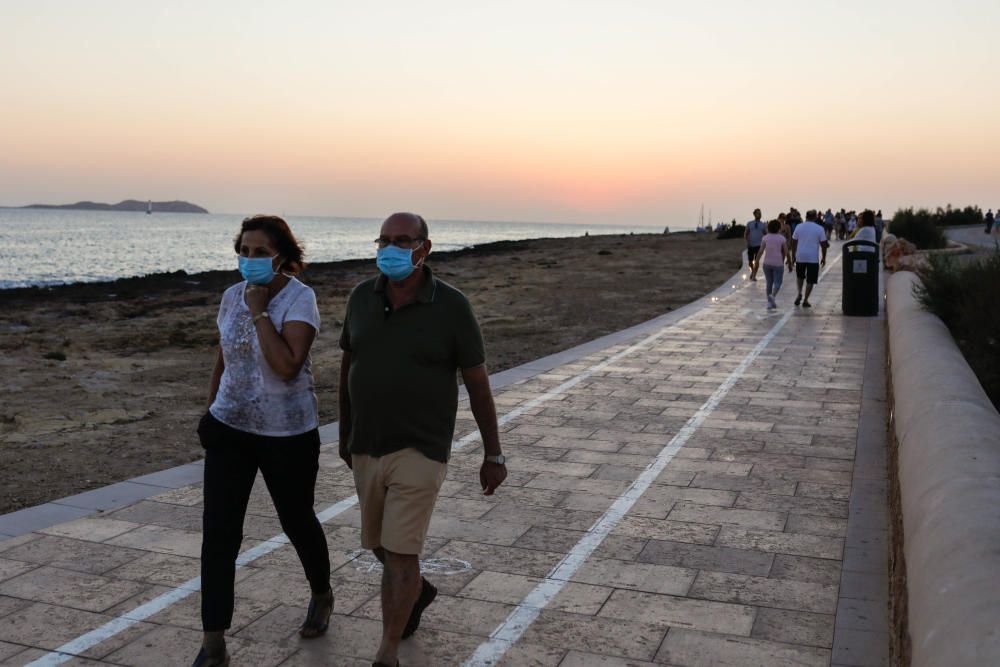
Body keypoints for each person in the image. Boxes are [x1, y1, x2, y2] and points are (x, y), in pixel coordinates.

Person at [338, 212, 507, 667]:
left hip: (421, 447)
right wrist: (344, 430)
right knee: (375, 542)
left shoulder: (452, 306)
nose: (390, 249)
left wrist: (493, 453)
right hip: (366, 444)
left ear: (424, 248)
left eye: (402, 241)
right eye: (384, 240)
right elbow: (348, 365)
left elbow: (477, 382)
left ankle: (386, 653)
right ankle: (419, 591)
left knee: (399, 551)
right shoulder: (360, 297)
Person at [194, 216, 332, 667]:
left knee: (296, 520)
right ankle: (213, 642)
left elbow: (287, 365)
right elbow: (225, 356)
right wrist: (211, 409)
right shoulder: (230, 296)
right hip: (230, 429)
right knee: (219, 534)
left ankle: (321, 592)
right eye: (244, 250)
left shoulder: (300, 298)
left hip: (286, 434)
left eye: (260, 252)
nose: (250, 260)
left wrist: (259, 311)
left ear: (284, 256)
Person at [791, 209, 829, 308]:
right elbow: (824, 245)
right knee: (810, 280)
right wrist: (824, 258)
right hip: (813, 258)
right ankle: (805, 300)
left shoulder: (799, 226)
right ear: (815, 217)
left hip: (800, 256)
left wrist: (793, 256)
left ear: (806, 216)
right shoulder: (819, 228)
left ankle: (799, 293)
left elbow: (794, 242)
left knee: (800, 276)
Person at [758, 219, 789, 310]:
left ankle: (769, 303)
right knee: (778, 282)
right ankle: (773, 296)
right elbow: (786, 252)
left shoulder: (765, 238)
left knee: (769, 283)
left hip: (766, 263)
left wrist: (756, 261)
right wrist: (790, 262)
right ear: (779, 228)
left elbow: (761, 251)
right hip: (778, 263)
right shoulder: (782, 238)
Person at [744, 208, 766, 281]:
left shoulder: (763, 225)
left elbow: (766, 234)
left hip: (759, 246)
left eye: (760, 213)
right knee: (750, 262)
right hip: (751, 245)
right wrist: (747, 242)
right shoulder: (750, 223)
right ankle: (752, 271)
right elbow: (746, 234)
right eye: (758, 213)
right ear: (754, 214)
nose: (759, 215)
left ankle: (753, 276)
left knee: (757, 261)